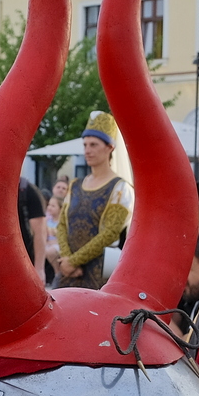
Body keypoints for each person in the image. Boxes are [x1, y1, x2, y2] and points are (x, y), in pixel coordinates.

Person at [54, 111, 132, 290]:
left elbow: (110, 233)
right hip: (69, 273)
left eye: (94, 145)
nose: (87, 150)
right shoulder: (75, 185)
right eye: (85, 145)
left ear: (110, 147)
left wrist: (74, 261)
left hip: (100, 272)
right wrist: (67, 262)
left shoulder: (120, 188)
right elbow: (62, 225)